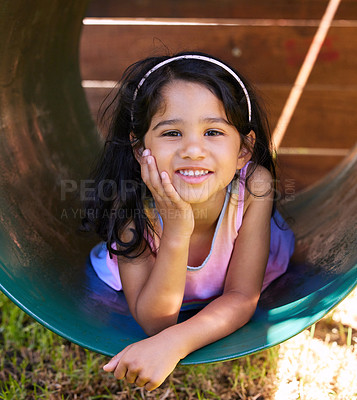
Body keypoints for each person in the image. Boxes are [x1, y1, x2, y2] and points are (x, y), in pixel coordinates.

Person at [82, 52, 295, 391]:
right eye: (171, 133)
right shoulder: (131, 199)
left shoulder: (254, 186)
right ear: (139, 148)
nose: (193, 150)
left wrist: (175, 343)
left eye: (213, 132)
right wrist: (177, 229)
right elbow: (154, 321)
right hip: (158, 281)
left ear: (244, 149)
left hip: (240, 261)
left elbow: (240, 296)